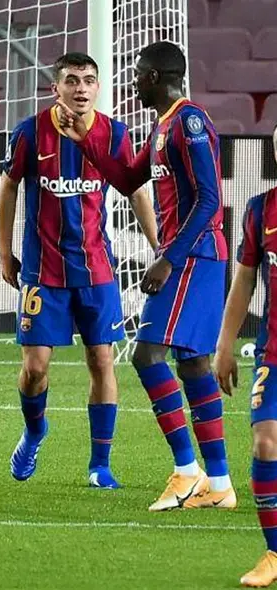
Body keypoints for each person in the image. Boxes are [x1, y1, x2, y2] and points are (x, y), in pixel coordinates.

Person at [57, 41, 233, 510]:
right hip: (190, 255)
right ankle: (219, 484)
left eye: (137, 73)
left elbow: (210, 200)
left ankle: (186, 472)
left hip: (194, 256)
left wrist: (168, 257)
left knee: (147, 354)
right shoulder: (161, 126)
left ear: (154, 76)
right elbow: (126, 179)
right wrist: (84, 139)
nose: (132, 81)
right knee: (192, 363)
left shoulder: (189, 122)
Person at [0, 52, 157, 489]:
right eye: (71, 80)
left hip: (96, 269)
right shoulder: (30, 132)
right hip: (42, 270)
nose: (80, 88)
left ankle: (99, 465)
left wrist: (158, 246)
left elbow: (136, 192)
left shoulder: (115, 134)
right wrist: (5, 251)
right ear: (56, 88)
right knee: (35, 367)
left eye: (88, 80)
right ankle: (34, 431)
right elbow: (8, 186)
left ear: (98, 87)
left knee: (102, 360)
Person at [214, 124, 277, 587]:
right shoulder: (261, 210)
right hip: (274, 354)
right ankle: (274, 553)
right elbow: (244, 281)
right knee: (265, 441)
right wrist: (225, 345)